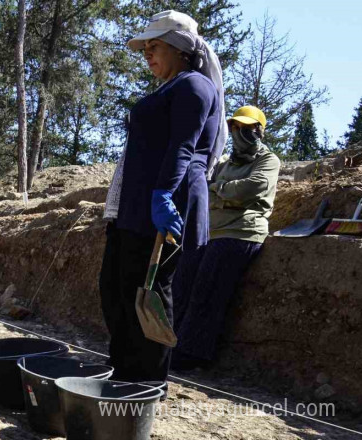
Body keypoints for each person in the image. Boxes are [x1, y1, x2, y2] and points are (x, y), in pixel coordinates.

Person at [100, 10, 226, 384]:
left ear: (180, 47)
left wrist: (163, 196)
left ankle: (148, 382)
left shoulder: (194, 86)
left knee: (149, 292)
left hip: (163, 205)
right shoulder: (170, 87)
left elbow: (183, 147)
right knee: (116, 289)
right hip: (135, 206)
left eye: (154, 46)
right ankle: (123, 372)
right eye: (144, 48)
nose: (146, 54)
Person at [171, 106, 280, 371]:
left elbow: (252, 187)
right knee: (182, 282)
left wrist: (219, 190)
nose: (238, 132)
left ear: (258, 131)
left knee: (207, 289)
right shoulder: (225, 163)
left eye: (245, 128)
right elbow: (206, 191)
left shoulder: (268, 160)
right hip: (212, 231)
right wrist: (224, 194)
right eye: (234, 127)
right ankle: (167, 343)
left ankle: (191, 354)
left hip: (242, 232)